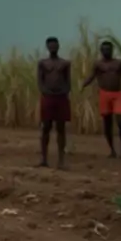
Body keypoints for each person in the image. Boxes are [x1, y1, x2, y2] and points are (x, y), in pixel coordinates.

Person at [81, 40, 121, 159]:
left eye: (108, 49)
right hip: (104, 95)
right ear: (101, 51)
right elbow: (91, 76)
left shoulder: (118, 63)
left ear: (112, 50)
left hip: (117, 95)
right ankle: (112, 150)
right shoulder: (98, 64)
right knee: (107, 124)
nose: (106, 51)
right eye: (104, 49)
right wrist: (83, 85)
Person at [37, 36, 71, 169]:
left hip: (61, 98)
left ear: (58, 46)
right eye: (50, 45)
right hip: (48, 98)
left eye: (55, 45)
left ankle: (61, 160)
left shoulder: (65, 63)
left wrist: (64, 92)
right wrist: (46, 92)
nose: (53, 48)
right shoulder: (43, 63)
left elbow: (68, 82)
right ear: (47, 47)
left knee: (61, 129)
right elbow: (40, 81)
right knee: (45, 127)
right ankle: (44, 159)